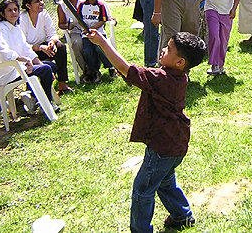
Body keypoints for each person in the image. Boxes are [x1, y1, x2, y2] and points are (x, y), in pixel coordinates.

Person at [86, 29, 206, 233]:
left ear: (180, 62)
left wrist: (102, 42)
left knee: (143, 189)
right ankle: (183, 216)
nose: (163, 50)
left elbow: (125, 68)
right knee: (165, 181)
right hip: (176, 144)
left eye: (168, 49)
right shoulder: (180, 76)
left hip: (161, 147)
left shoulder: (161, 78)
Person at [0, 0, 59, 113]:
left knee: (50, 66)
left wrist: (37, 62)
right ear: (2, 13)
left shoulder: (16, 28)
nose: (13, 12)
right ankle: (46, 104)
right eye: (9, 10)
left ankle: (34, 98)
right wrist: (24, 60)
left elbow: (26, 49)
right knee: (45, 69)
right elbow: (4, 53)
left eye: (15, 9)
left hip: (19, 67)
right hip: (7, 73)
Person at [19, 0, 72, 95]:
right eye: (37, 1)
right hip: (28, 53)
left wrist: (52, 42)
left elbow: (52, 33)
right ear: (28, 6)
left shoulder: (44, 14)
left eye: (41, 0)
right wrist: (39, 47)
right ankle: (33, 91)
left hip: (44, 47)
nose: (41, 3)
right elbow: (22, 45)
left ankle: (62, 84)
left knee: (60, 47)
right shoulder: (22, 19)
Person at [78, 0, 115, 83]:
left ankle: (111, 66)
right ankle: (94, 71)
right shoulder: (82, 5)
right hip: (86, 35)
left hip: (99, 34)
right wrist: (86, 29)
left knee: (99, 49)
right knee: (87, 51)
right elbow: (79, 19)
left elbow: (103, 20)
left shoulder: (100, 5)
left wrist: (93, 28)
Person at [57, 0, 87, 83]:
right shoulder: (61, 5)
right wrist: (69, 25)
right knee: (76, 43)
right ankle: (86, 72)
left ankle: (100, 67)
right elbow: (61, 24)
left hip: (89, 29)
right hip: (75, 31)